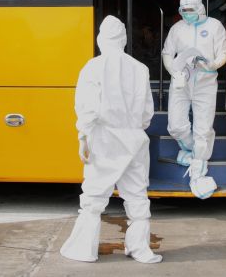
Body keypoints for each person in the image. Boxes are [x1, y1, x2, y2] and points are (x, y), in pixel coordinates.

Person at [60, 15, 162, 264]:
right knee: (137, 195)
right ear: (124, 39)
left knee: (94, 197)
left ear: (100, 39)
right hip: (135, 139)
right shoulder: (140, 68)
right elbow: (147, 113)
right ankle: (140, 249)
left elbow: (88, 108)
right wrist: (133, 129)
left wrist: (83, 136)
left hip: (104, 138)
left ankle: (84, 248)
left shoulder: (93, 67)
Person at [161, 0, 226, 199]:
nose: (187, 13)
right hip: (181, 82)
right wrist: (174, 71)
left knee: (203, 128)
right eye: (184, 10)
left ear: (199, 7)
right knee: (175, 125)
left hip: (205, 83)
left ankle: (199, 170)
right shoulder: (177, 28)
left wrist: (212, 64)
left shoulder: (214, 27)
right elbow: (167, 53)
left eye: (190, 10)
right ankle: (192, 152)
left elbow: (223, 53)